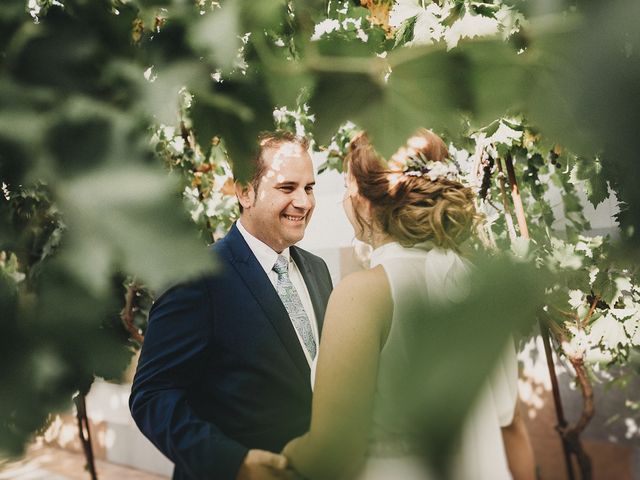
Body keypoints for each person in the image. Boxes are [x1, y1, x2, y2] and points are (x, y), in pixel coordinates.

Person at [282, 130, 536, 479]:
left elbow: (334, 454)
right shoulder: (481, 287)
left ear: (367, 203)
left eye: (347, 186)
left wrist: (286, 454)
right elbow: (512, 426)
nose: (343, 199)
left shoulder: (362, 295)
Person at [130, 131, 333, 480]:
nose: (304, 202)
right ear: (244, 192)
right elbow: (152, 395)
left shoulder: (317, 270)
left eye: (309, 188)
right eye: (287, 188)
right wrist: (233, 462)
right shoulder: (197, 277)